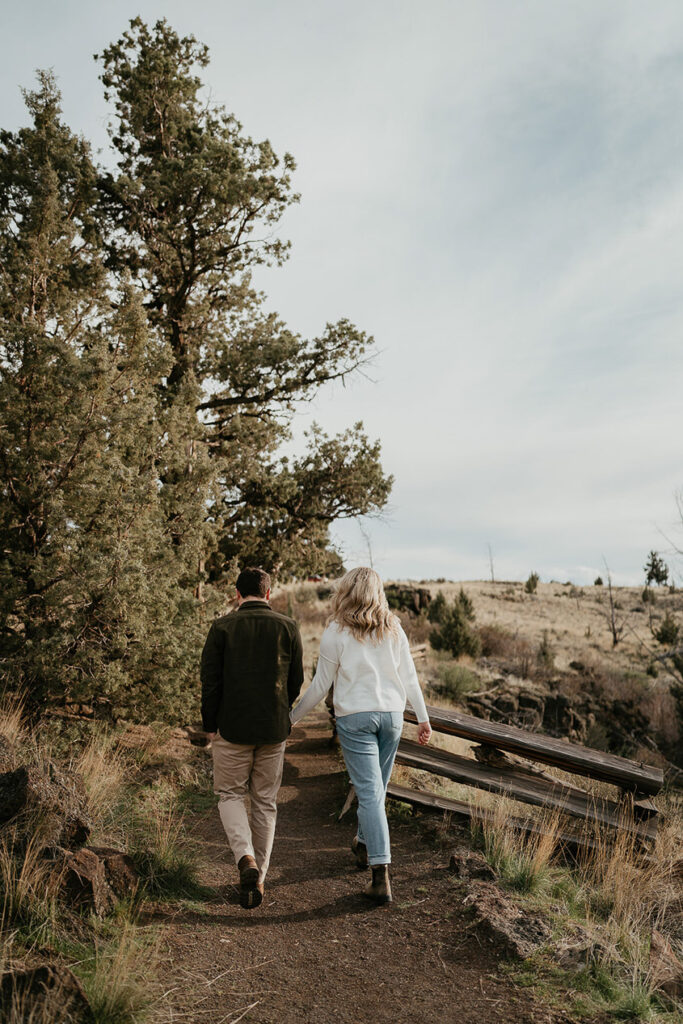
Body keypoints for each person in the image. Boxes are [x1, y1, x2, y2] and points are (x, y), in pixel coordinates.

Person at [290, 567, 431, 904]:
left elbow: (321, 685)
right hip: (392, 718)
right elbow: (410, 678)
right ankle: (364, 844)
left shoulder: (335, 631)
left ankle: (380, 876)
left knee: (369, 794)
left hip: (355, 719)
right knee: (376, 791)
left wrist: (291, 718)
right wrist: (422, 718)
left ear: (346, 591)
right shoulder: (394, 627)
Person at [200, 566, 304, 909]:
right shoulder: (288, 627)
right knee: (264, 801)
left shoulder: (221, 628)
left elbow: (210, 682)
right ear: (269, 593)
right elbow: (296, 680)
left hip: (232, 727)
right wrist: (282, 712)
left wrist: (209, 724)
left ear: (237, 593)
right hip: (273, 730)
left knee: (230, 794)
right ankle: (257, 880)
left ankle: (245, 857)